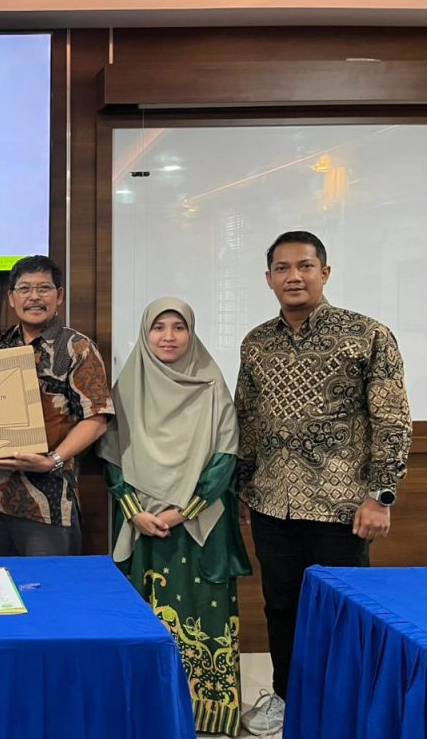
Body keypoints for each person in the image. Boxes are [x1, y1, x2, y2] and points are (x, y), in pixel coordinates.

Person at [235, 231, 412, 736]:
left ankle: (345, 705)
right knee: (281, 607)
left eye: (305, 266)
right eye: (282, 268)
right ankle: (287, 697)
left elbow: (392, 419)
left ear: (325, 273)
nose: (294, 276)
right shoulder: (256, 343)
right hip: (272, 502)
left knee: (343, 610)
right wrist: (245, 486)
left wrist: (380, 496)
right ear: (269, 278)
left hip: (343, 505)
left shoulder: (367, 335)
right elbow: (247, 419)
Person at [98, 297, 252, 737]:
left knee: (205, 611)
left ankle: (208, 712)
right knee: (143, 617)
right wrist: (135, 513)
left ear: (192, 333)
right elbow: (112, 457)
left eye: (178, 327)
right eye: (158, 327)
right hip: (141, 525)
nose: (168, 337)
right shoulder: (128, 387)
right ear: (145, 334)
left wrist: (181, 512)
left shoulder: (211, 386)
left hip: (199, 524)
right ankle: (146, 710)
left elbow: (225, 457)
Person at [0, 254, 113, 556]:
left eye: (44, 288)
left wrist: (53, 460)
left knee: (46, 585)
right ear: (11, 298)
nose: (34, 297)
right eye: (24, 289)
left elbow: (97, 417)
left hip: (49, 503)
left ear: (59, 295)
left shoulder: (77, 348)